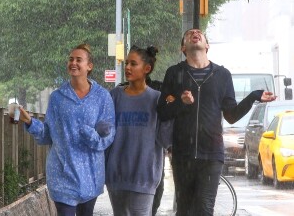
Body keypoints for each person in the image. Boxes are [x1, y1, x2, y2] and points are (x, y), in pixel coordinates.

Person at [157, 29, 277, 216]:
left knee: (205, 209)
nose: (195, 33)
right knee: (184, 210)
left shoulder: (222, 75)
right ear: (183, 47)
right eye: (189, 34)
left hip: (211, 154)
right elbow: (162, 112)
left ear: (207, 45)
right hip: (182, 155)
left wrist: (253, 96)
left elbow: (231, 115)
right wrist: (181, 102)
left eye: (199, 33)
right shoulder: (174, 73)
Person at [18, 43, 115, 216]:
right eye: (71, 59)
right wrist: (30, 122)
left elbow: (108, 136)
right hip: (62, 173)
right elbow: (47, 135)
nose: (73, 63)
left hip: (91, 175)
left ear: (89, 66)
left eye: (79, 60)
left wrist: (91, 135)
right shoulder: (57, 97)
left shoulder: (102, 97)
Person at [106, 45, 167, 216]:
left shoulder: (156, 99)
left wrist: (173, 111)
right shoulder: (115, 95)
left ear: (147, 68)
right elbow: (106, 131)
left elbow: (165, 140)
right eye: (126, 63)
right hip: (116, 175)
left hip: (144, 177)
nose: (127, 67)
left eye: (133, 64)